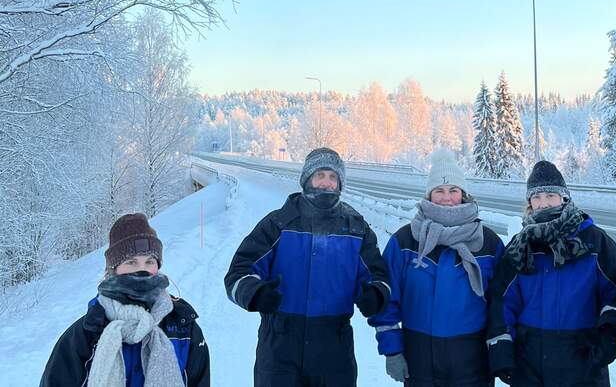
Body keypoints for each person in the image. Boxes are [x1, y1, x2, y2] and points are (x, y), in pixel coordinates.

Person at [224, 147, 390, 386]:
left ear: (340, 183)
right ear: (307, 178)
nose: (326, 183)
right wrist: (255, 293)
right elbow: (238, 272)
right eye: (320, 175)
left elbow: (379, 277)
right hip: (279, 346)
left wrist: (376, 294)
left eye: (333, 177)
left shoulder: (357, 229)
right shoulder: (278, 224)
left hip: (335, 348)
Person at [486, 160, 616, 387]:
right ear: (530, 203)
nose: (543, 204)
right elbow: (502, 301)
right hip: (529, 366)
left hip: (584, 363)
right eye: (537, 197)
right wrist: (501, 347)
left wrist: (608, 337)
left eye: (550, 195)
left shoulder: (594, 242)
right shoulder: (519, 246)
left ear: (564, 198)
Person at [369, 148, 504, 387]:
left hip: (473, 361)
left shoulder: (488, 243)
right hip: (420, 358)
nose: (446, 197)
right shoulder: (405, 241)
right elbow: (387, 300)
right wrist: (391, 349)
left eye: (453, 190)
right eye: (439, 191)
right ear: (429, 195)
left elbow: (502, 304)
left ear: (463, 194)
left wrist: (500, 346)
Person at [41, 213, 210, 386]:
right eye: (131, 262)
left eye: (149, 261)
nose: (142, 270)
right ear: (113, 269)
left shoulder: (184, 329)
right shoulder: (85, 335)